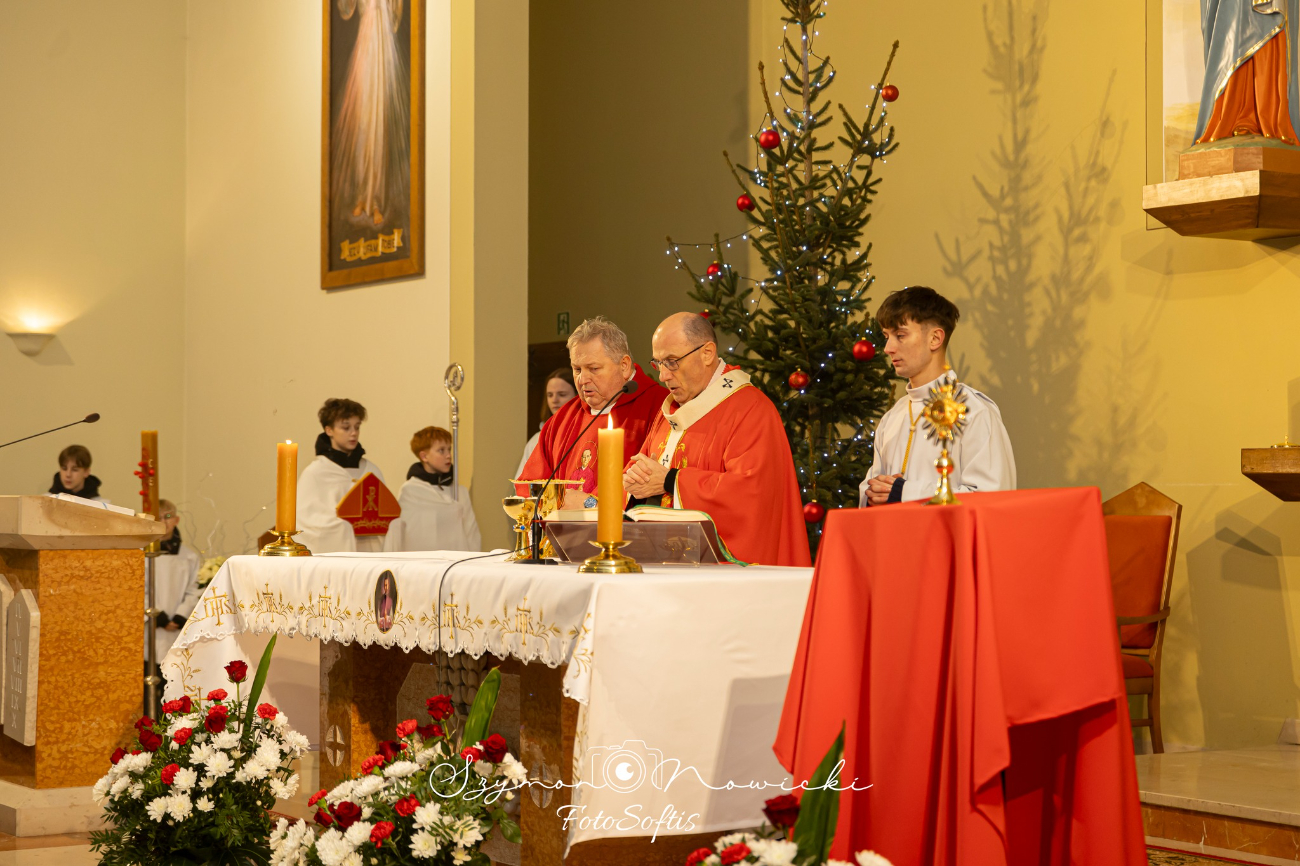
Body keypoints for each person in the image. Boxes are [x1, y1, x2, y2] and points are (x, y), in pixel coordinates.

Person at [624, 313, 810, 567]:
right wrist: (633, 482)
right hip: (663, 565)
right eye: (658, 364)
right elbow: (643, 471)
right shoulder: (673, 411)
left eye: (672, 362)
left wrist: (671, 480)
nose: (663, 376)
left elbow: (751, 495)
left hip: (724, 574)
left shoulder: (750, 409)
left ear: (707, 353)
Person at [859, 286, 1015, 507]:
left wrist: (905, 493)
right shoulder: (892, 417)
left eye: (900, 335)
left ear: (935, 339)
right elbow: (873, 489)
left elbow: (991, 500)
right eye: (886, 336)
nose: (888, 348)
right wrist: (873, 495)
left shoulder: (974, 412)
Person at [519, 317, 668, 510]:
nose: (582, 379)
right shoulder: (563, 419)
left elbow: (650, 480)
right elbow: (530, 487)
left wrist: (590, 505)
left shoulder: (660, 408)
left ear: (624, 365)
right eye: (577, 369)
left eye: (593, 368)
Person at [296, 397, 388, 553]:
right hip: (336, 558)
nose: (354, 433)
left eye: (357, 427)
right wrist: (345, 525)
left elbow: (386, 513)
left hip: (371, 555)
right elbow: (306, 523)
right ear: (329, 430)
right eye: (346, 428)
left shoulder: (371, 470)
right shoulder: (316, 472)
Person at [384, 426, 482, 552]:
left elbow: (471, 533)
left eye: (449, 449)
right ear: (424, 456)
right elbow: (406, 533)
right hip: (423, 559)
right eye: (441, 451)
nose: (448, 455)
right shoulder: (411, 491)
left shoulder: (459, 492)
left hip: (456, 559)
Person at [147, 499, 203, 665]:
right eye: (158, 517)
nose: (163, 522)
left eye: (167, 516)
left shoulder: (189, 557)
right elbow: (136, 588)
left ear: (176, 520)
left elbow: (194, 589)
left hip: (178, 627)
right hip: (150, 625)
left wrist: (180, 616)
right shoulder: (141, 554)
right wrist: (158, 617)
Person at [516, 367, 577, 479]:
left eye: (562, 394)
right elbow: (522, 481)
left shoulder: (584, 433)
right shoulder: (537, 440)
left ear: (577, 396)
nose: (554, 400)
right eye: (550, 395)